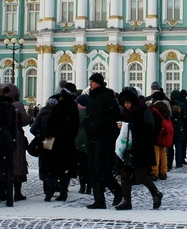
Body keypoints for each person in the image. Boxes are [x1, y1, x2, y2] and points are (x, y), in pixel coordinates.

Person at [115, 87, 163, 210]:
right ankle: (126, 200)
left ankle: (155, 193)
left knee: (141, 175)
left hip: (141, 147)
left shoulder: (144, 111)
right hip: (128, 147)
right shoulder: (125, 113)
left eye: (128, 103)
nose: (126, 105)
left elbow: (150, 128)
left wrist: (131, 126)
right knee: (125, 174)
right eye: (124, 103)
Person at [83, 72, 122, 209]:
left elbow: (114, 115)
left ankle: (117, 190)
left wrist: (99, 124)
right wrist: (87, 125)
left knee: (99, 167)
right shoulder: (91, 97)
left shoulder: (107, 96)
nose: (90, 84)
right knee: (92, 170)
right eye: (90, 82)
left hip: (103, 137)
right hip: (92, 136)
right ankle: (99, 200)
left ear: (99, 82)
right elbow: (90, 115)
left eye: (93, 82)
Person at [37, 82, 79, 201]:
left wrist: (49, 135)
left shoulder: (58, 107)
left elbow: (51, 124)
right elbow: (75, 128)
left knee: (51, 169)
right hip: (68, 142)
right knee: (65, 170)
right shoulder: (74, 109)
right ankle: (63, 192)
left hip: (55, 142)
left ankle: (49, 193)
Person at [152, 99, 173, 179]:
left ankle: (155, 172)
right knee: (163, 154)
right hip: (164, 136)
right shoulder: (166, 112)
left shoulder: (155, 111)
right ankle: (164, 172)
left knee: (156, 154)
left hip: (157, 135)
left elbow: (155, 124)